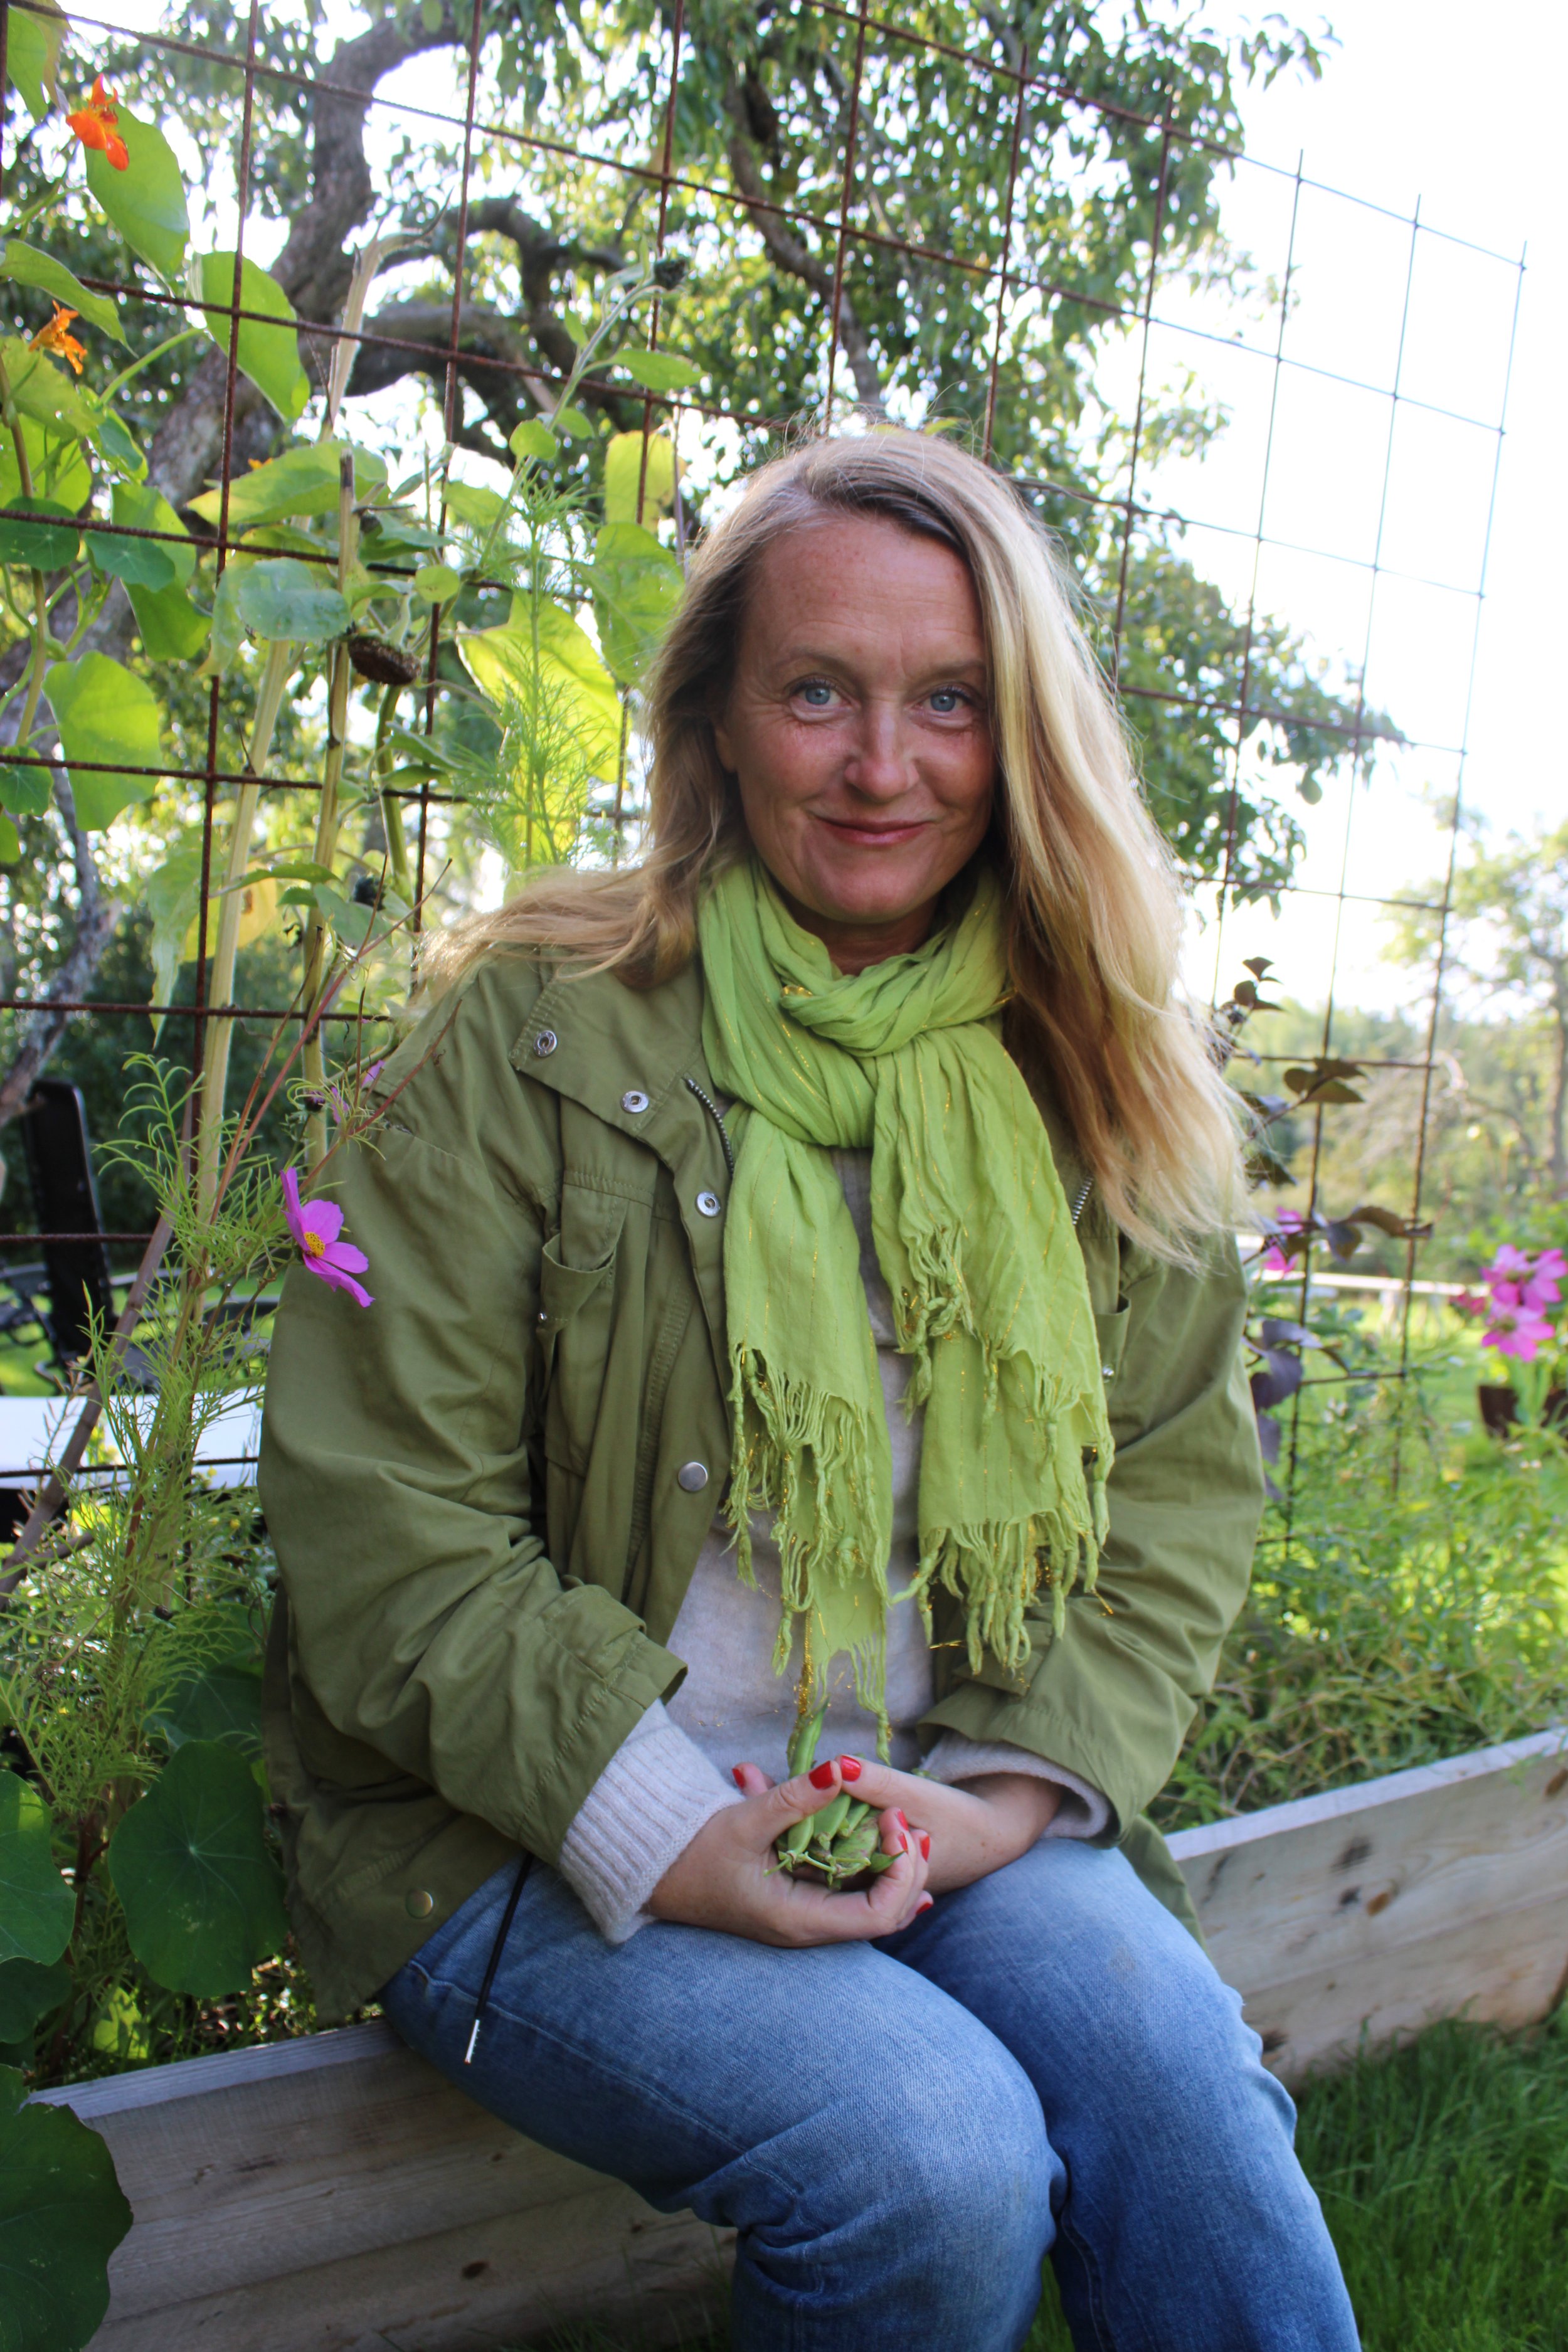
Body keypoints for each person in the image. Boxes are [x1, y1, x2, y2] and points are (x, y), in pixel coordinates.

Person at [259, 429, 1360, 2351]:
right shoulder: (536, 1028)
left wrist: (999, 1802)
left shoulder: (1095, 1065)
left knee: (1188, 2107)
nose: (882, 766)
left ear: (1023, 734)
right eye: (817, 693)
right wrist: (670, 1831)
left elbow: (1175, 1495)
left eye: (949, 701)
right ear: (715, 718)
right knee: (927, 2154)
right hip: (514, 1820)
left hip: (932, 1792)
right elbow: (389, 1518)